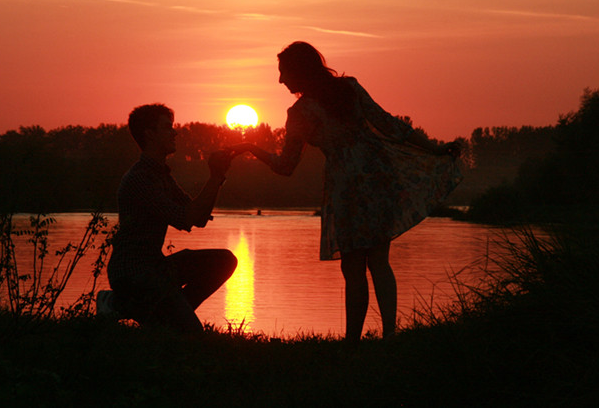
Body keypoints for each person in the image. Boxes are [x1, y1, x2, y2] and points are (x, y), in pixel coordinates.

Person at [230, 41, 461, 344]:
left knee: (353, 267)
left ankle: (353, 341)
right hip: (378, 174)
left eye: (283, 72)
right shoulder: (349, 88)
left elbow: (285, 166)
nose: (280, 80)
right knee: (379, 260)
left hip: (347, 184)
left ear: (299, 71)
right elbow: (390, 125)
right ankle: (390, 335)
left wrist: (249, 147)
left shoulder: (300, 112)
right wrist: (434, 148)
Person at [97, 103, 237, 334]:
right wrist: (213, 177)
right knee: (191, 334)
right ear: (149, 134)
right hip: (133, 275)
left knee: (224, 260)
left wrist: (218, 176)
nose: (175, 132)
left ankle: (162, 316)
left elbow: (198, 218)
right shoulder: (140, 179)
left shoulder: (161, 174)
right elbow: (186, 217)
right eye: (167, 127)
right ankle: (118, 304)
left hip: (155, 268)